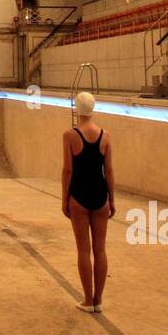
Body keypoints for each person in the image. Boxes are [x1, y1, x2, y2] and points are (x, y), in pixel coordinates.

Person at [61, 91, 115, 313]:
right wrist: (111, 199)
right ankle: (99, 300)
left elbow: (67, 170)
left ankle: (88, 300)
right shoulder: (105, 136)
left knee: (83, 251)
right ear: (93, 108)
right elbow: (109, 170)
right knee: (100, 250)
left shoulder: (70, 135)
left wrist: (65, 198)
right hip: (101, 194)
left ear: (77, 108)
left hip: (79, 196)